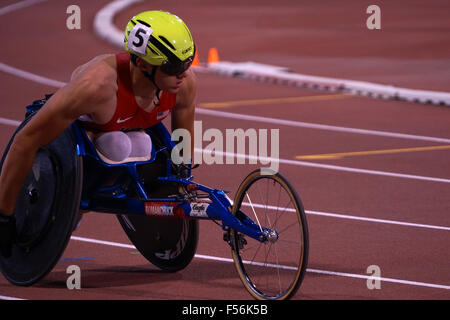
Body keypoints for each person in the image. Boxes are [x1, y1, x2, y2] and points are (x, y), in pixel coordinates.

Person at [0, 10, 197, 257]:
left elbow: (181, 146)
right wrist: (4, 215)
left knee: (140, 144)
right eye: (174, 66)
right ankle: (69, 211)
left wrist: (182, 181)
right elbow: (24, 141)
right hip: (79, 156)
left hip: (125, 143)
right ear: (143, 64)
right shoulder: (96, 87)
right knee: (117, 145)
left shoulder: (184, 84)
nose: (184, 73)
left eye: (187, 62)